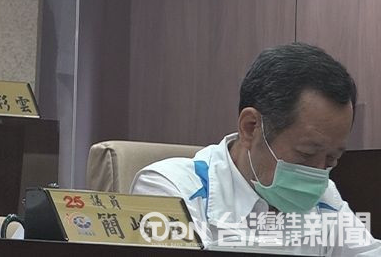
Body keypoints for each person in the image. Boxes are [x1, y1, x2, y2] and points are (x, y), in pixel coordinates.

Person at [132, 43, 379, 254]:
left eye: (332, 159)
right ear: (250, 127)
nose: (317, 174)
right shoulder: (168, 189)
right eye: (306, 153)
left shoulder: (324, 197)